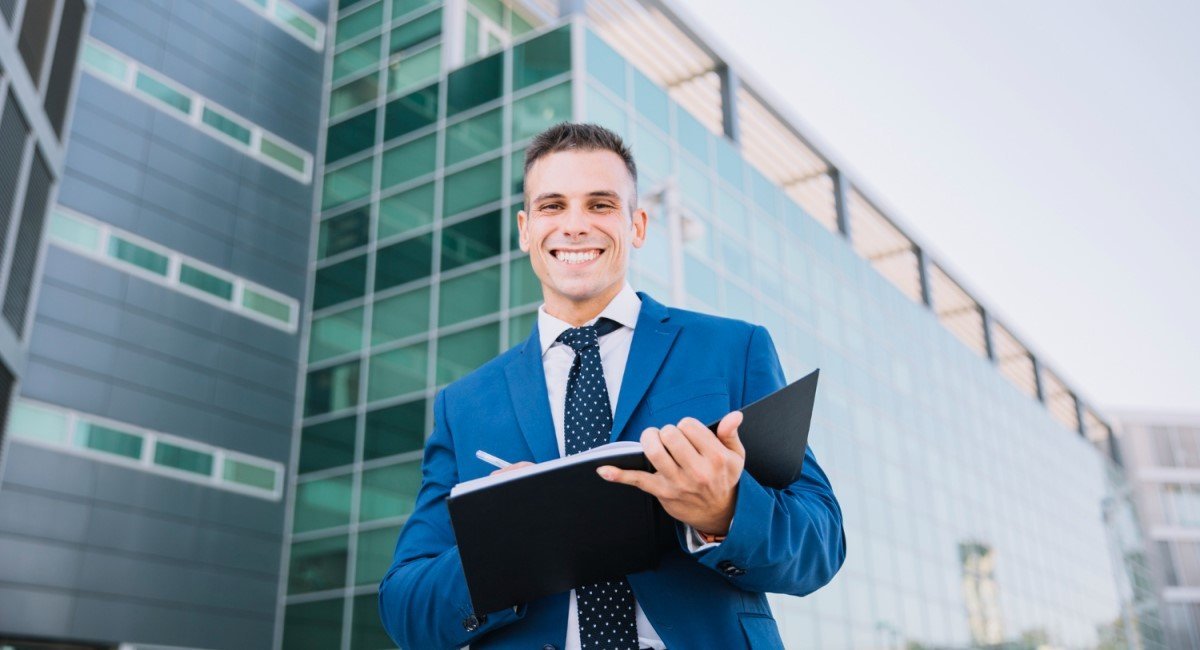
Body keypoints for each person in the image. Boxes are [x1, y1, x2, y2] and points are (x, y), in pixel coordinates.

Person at [378, 122, 845, 649]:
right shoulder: (464, 406)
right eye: (553, 206)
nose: (575, 226)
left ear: (637, 225)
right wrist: (503, 545)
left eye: (600, 205)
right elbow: (404, 609)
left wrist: (726, 511)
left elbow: (822, 542)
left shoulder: (731, 350)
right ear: (525, 229)